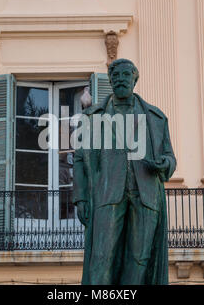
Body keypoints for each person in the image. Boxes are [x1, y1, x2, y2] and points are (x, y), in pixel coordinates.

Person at [73, 58, 176, 285]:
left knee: (140, 258)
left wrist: (164, 164)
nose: (120, 80)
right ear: (110, 80)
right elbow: (80, 158)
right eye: (116, 76)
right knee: (101, 256)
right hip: (108, 195)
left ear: (134, 79)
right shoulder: (94, 116)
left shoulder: (156, 118)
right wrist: (80, 198)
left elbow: (169, 156)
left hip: (145, 195)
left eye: (125, 75)